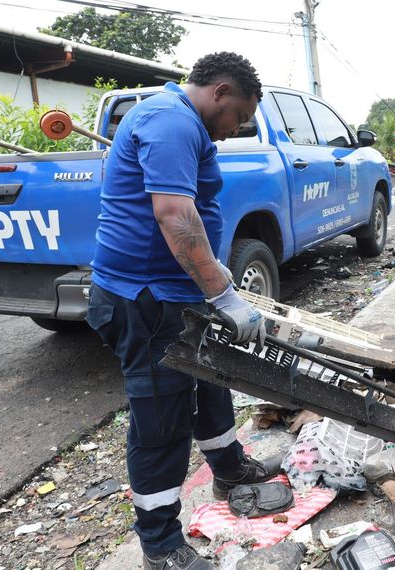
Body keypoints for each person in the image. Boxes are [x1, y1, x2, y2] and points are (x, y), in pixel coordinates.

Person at [85, 52, 278, 570]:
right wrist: (224, 295)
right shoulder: (171, 121)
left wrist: (212, 281)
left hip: (177, 290)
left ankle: (230, 469)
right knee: (162, 419)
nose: (234, 127)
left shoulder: (180, 120)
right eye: (238, 114)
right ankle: (161, 543)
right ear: (219, 91)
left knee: (211, 380)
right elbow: (174, 214)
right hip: (146, 299)